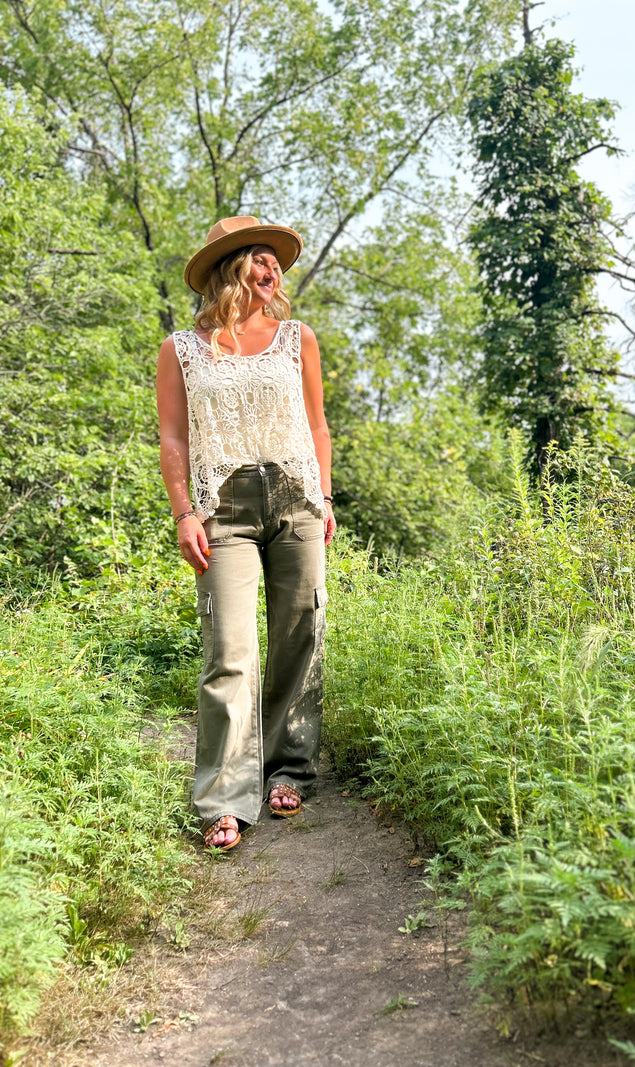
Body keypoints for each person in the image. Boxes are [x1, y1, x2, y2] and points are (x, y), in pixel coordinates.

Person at [156, 215, 335, 852]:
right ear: (231, 269)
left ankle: (289, 766)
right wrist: (183, 513)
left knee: (298, 633)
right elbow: (173, 438)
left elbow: (317, 426)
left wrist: (325, 495)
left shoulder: (297, 339)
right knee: (229, 649)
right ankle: (225, 795)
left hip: (296, 498)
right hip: (221, 507)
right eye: (260, 259)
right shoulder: (181, 350)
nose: (272, 272)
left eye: (275, 262)